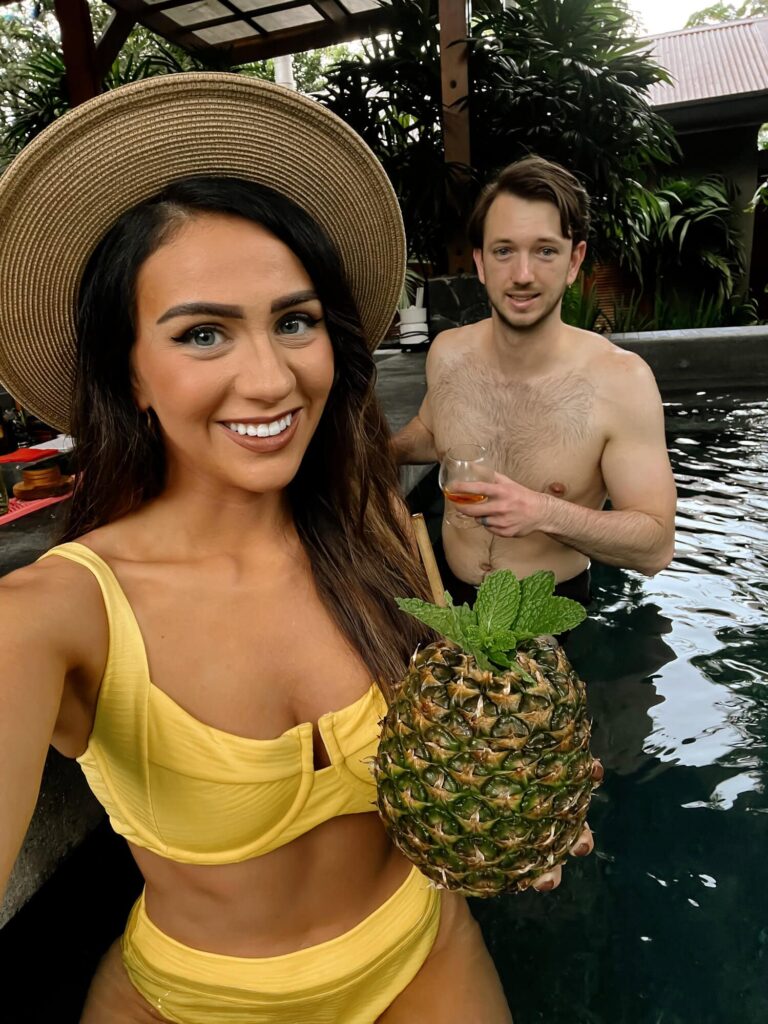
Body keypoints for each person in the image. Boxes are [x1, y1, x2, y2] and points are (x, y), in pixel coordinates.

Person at [0, 76, 595, 1024]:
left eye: (294, 320)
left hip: (423, 950)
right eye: (203, 333)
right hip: (189, 1001)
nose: (271, 379)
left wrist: (523, 793)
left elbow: (450, 729)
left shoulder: (375, 530)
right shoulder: (53, 614)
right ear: (131, 374)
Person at [393, 156, 676, 607]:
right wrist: (376, 454)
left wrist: (543, 511)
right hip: (449, 598)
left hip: (550, 614)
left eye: (545, 250)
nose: (522, 276)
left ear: (573, 260)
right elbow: (434, 429)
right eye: (504, 251)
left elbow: (656, 546)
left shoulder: (623, 382)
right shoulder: (448, 352)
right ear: (481, 263)